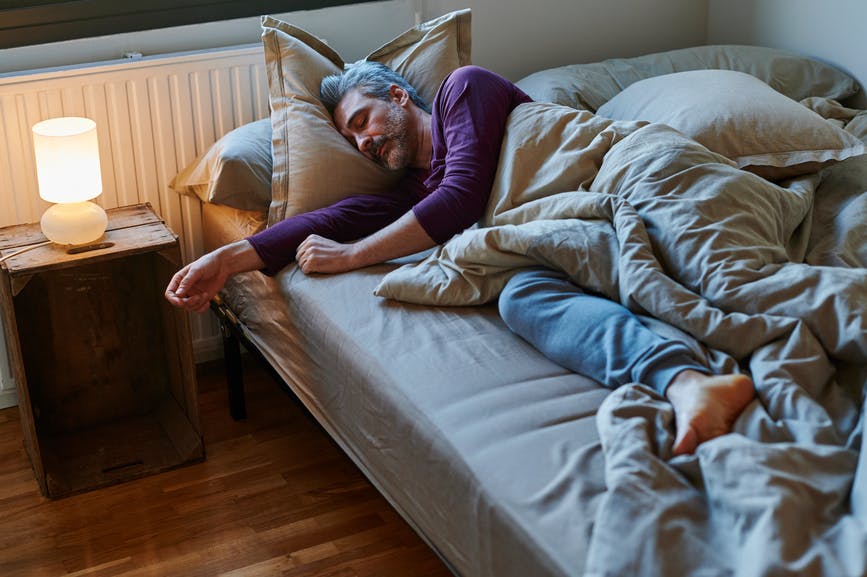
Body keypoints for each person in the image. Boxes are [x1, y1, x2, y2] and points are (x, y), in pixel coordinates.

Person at [165, 62, 754, 456]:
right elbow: (333, 218)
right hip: (566, 229)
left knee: (721, 273)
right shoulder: (414, 195)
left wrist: (351, 260)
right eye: (352, 141)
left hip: (633, 173)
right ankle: (685, 382)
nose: (363, 142)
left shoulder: (462, 90)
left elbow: (463, 197)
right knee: (524, 298)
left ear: (398, 95)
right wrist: (226, 259)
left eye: (363, 121)